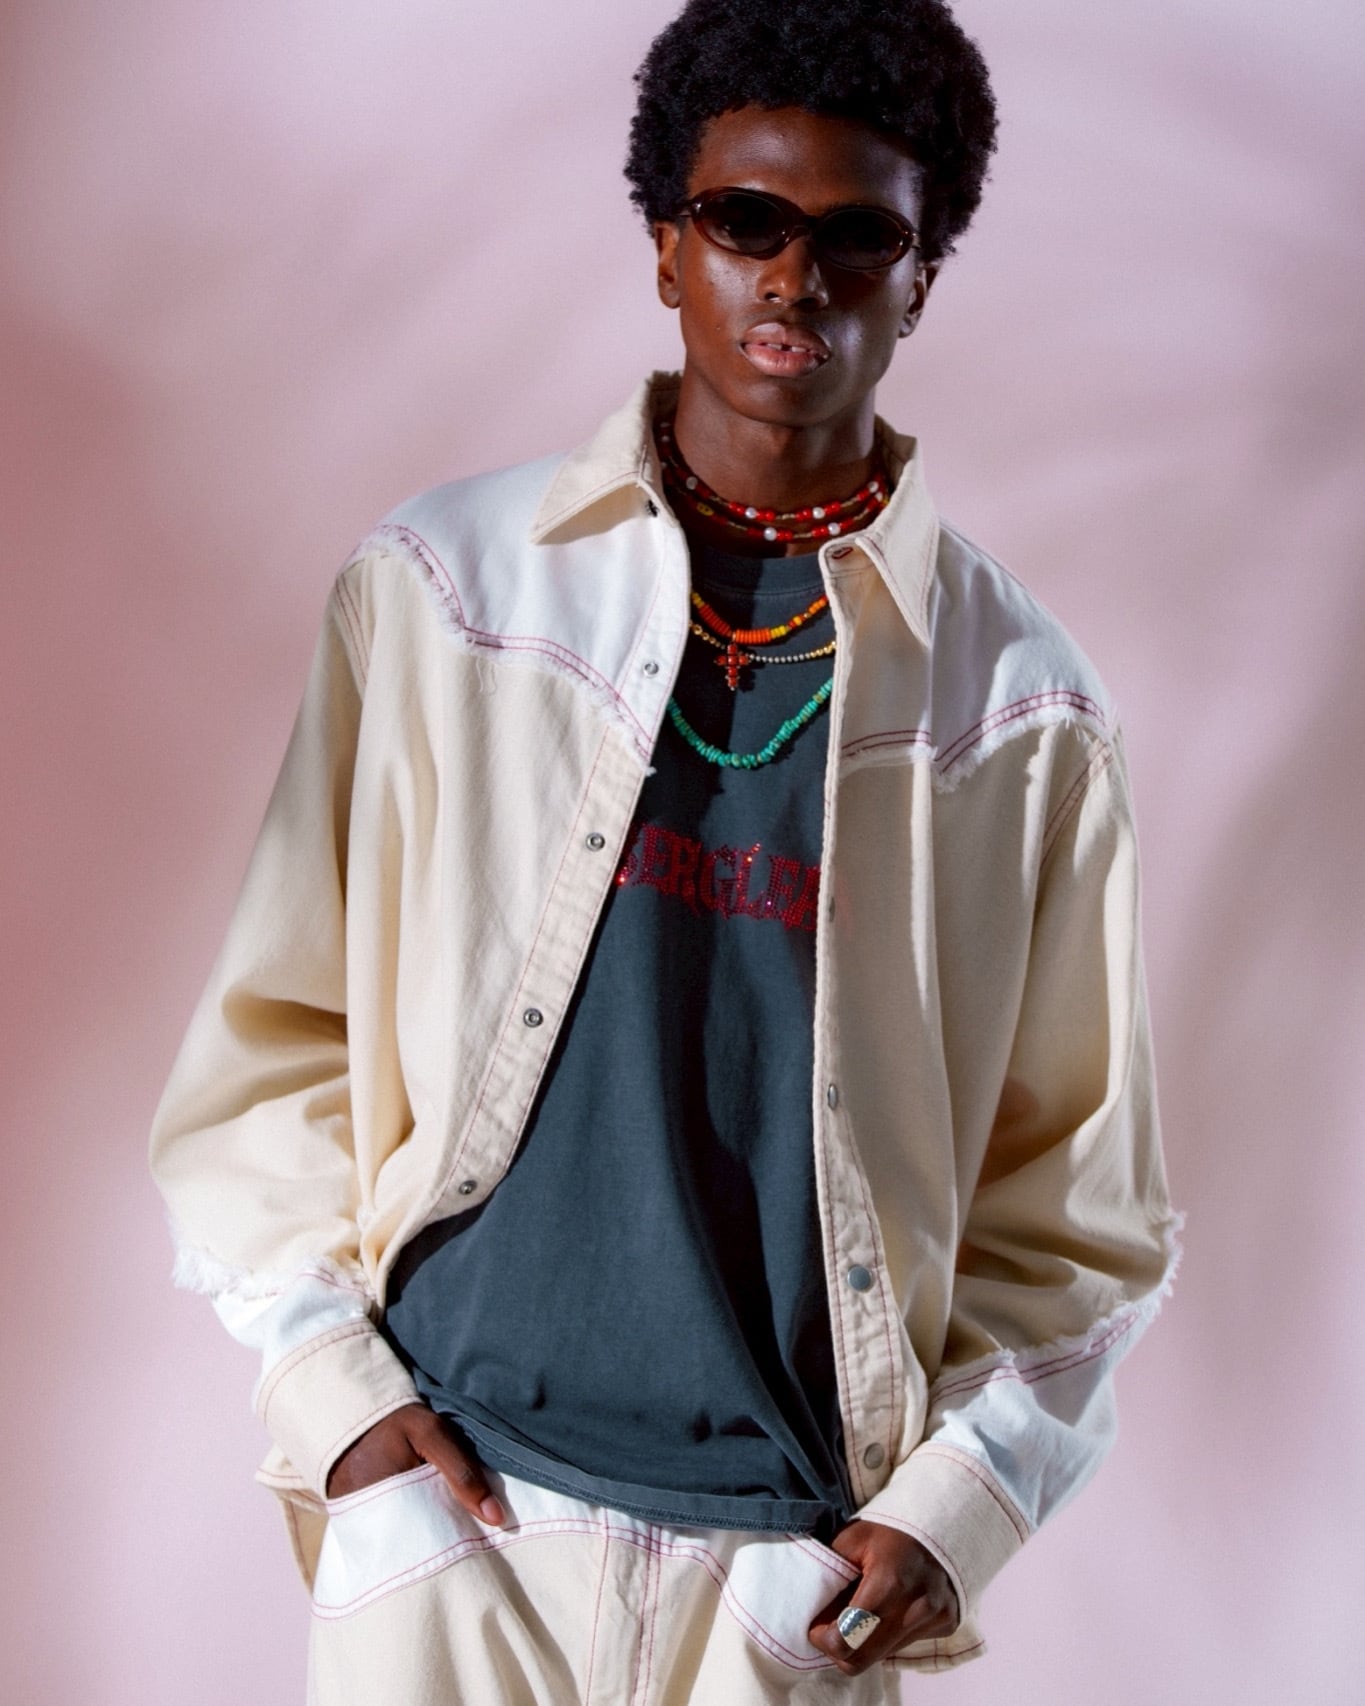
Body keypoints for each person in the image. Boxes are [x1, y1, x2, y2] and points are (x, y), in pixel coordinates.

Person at [148, 2, 1180, 1701]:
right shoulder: (446, 593)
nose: (795, 277)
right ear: (664, 246)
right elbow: (271, 1046)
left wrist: (957, 1505)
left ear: (920, 276)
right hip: (453, 1532)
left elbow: (1079, 1204)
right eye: (743, 219)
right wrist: (338, 1403)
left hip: (783, 1575)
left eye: (857, 236)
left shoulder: (1019, 711)